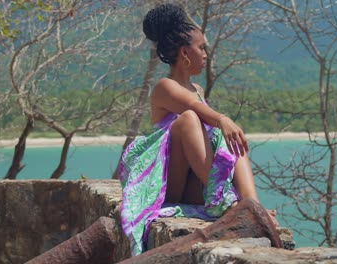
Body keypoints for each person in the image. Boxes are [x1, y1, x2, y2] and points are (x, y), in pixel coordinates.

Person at [117, 3, 277, 256]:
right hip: (170, 185)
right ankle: (228, 201)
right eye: (201, 48)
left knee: (229, 138)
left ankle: (251, 206)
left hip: (195, 186)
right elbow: (191, 107)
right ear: (184, 52)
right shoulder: (164, 87)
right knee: (192, 118)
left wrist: (225, 126)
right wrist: (222, 119)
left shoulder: (199, 90)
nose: (205, 54)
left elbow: (209, 126)